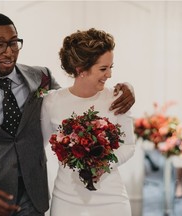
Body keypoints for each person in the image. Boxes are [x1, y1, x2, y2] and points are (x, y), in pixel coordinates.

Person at [0, 13, 135, 216]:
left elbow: (73, 105)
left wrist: (127, 88)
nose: (9, 51)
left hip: (32, 200)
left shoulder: (41, 77)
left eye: (14, 42)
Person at [41, 28, 136, 216]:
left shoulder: (118, 98)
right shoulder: (52, 102)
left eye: (111, 67)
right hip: (66, 199)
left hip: (112, 199)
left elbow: (129, 146)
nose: (109, 75)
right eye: (103, 68)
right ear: (81, 70)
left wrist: (104, 164)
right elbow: (39, 144)